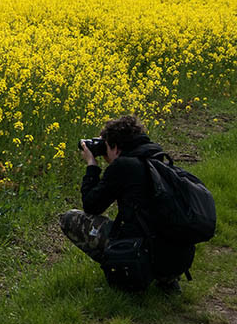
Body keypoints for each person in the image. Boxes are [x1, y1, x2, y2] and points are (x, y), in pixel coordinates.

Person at [58, 114, 194, 293]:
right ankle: (167, 279)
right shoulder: (157, 158)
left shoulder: (123, 166)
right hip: (177, 258)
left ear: (115, 147)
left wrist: (92, 165)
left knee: (69, 219)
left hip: (142, 254)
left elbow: (91, 206)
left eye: (105, 146)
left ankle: (127, 273)